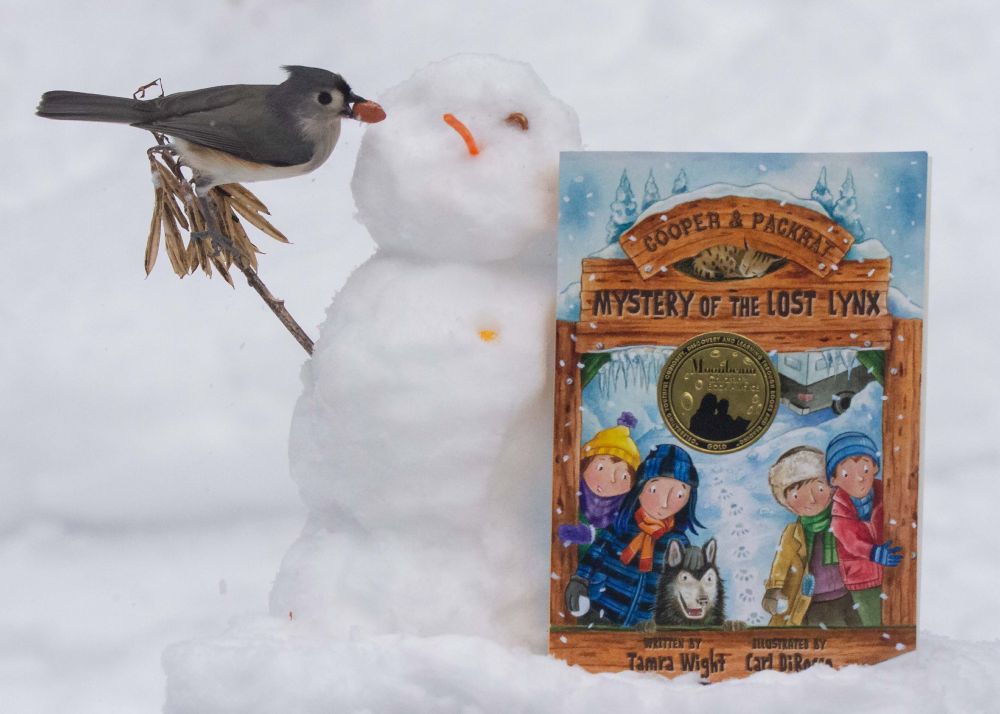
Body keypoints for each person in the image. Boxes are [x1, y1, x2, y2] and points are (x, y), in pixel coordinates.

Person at [564, 444, 704, 628]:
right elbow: (595, 555)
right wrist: (580, 579)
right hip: (601, 617)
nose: (664, 503)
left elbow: (686, 585)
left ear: (688, 498)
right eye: (654, 490)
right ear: (639, 489)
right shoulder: (621, 528)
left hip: (645, 628)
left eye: (678, 494)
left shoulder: (678, 543)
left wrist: (694, 559)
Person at [762, 446, 861, 627]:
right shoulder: (793, 533)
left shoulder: (843, 520)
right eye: (797, 495)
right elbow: (781, 564)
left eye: (818, 489)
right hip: (811, 602)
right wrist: (773, 589)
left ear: (831, 489)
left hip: (850, 596)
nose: (811, 500)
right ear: (787, 502)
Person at [826, 432, 902, 626]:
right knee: (873, 620)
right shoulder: (839, 509)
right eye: (846, 474)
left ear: (875, 467)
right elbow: (850, 540)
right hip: (861, 578)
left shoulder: (887, 492)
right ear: (834, 479)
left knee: (896, 615)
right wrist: (873, 552)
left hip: (890, 571)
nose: (859, 478)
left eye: (865, 468)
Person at [557, 413, 640, 546]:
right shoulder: (572, 490)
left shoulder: (625, 508)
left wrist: (591, 535)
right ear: (584, 465)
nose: (611, 479)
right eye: (601, 468)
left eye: (624, 476)